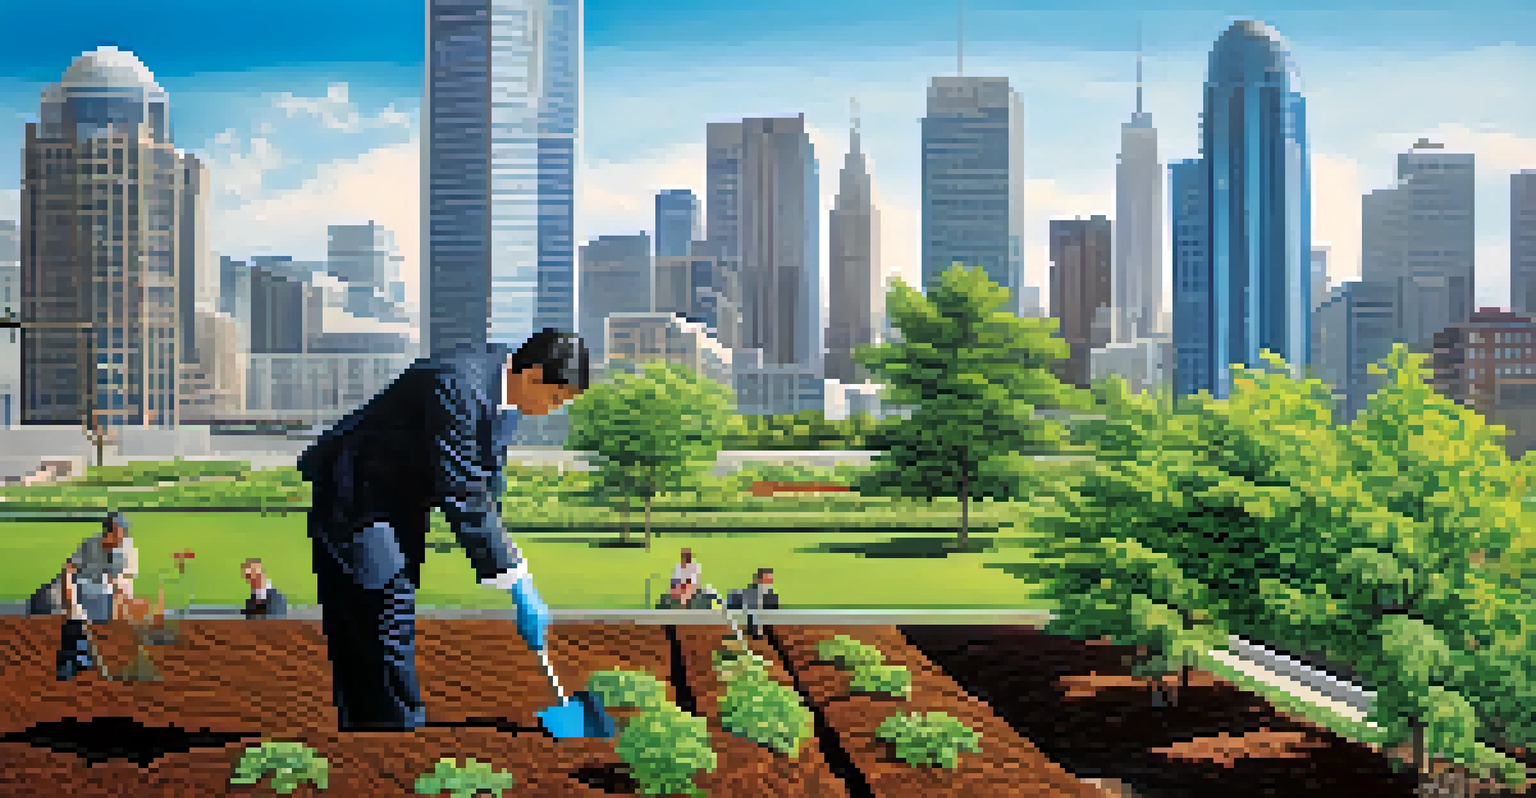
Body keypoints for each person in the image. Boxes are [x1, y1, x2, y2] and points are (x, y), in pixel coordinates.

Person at [297, 329, 588, 731]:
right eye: (556, 399)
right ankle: (393, 738)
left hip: (401, 499)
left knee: (384, 613)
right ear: (534, 375)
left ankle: (373, 731)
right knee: (384, 607)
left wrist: (504, 557)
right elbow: (463, 486)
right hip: (356, 495)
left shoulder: (508, 393)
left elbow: (487, 480)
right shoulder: (455, 384)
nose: (554, 409)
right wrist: (515, 579)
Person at [38, 513, 136, 680]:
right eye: (120, 534)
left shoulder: (126, 551)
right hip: (81, 586)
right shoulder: (90, 545)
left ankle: (84, 654)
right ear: (108, 534)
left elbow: (123, 582)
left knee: (98, 617)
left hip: (102, 590)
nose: (122, 538)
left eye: (124, 534)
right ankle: (69, 659)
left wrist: (120, 595)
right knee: (75, 616)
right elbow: (68, 569)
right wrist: (69, 594)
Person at [727, 567, 780, 639]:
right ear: (759, 580)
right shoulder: (747, 595)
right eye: (766, 580)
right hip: (748, 632)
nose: (768, 583)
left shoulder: (773, 597)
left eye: (770, 580)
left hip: (767, 633)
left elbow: (774, 616)